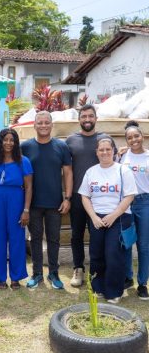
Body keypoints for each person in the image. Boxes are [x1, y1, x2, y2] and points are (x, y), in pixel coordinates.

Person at [79, 137, 137, 303]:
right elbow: (85, 196)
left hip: (118, 217)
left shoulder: (123, 170)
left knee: (113, 254)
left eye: (108, 149)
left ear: (113, 150)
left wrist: (113, 215)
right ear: (96, 152)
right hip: (96, 217)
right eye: (101, 150)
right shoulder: (91, 172)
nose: (104, 152)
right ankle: (98, 287)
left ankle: (113, 292)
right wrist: (94, 217)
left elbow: (129, 196)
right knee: (96, 254)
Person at [66, 104, 116, 287]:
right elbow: (66, 169)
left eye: (90, 116)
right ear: (79, 119)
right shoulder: (71, 141)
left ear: (96, 118)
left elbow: (115, 164)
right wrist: (68, 197)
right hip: (79, 198)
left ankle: (98, 270)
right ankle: (78, 268)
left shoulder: (105, 139)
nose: (87, 119)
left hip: (102, 199)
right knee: (76, 234)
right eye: (84, 116)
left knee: (98, 235)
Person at [21, 111, 72, 290]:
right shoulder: (25, 146)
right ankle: (36, 274)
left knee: (54, 239)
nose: (43, 125)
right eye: (40, 122)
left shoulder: (61, 146)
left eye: (46, 122)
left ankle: (54, 273)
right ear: (34, 125)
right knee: (35, 239)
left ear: (52, 125)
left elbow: (68, 172)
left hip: (55, 203)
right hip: (33, 203)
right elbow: (6, 158)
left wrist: (67, 198)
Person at [0, 128, 33, 290]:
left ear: (16, 142)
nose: (8, 143)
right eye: (5, 140)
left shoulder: (23, 161)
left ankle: (16, 277)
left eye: (11, 140)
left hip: (16, 199)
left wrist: (26, 210)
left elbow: (29, 187)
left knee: (16, 238)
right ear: (0, 141)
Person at [120, 121, 149, 300]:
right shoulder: (122, 156)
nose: (133, 140)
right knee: (126, 241)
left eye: (136, 136)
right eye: (129, 137)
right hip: (126, 203)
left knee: (144, 245)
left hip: (145, 202)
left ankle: (143, 283)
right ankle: (127, 277)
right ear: (127, 141)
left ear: (143, 137)